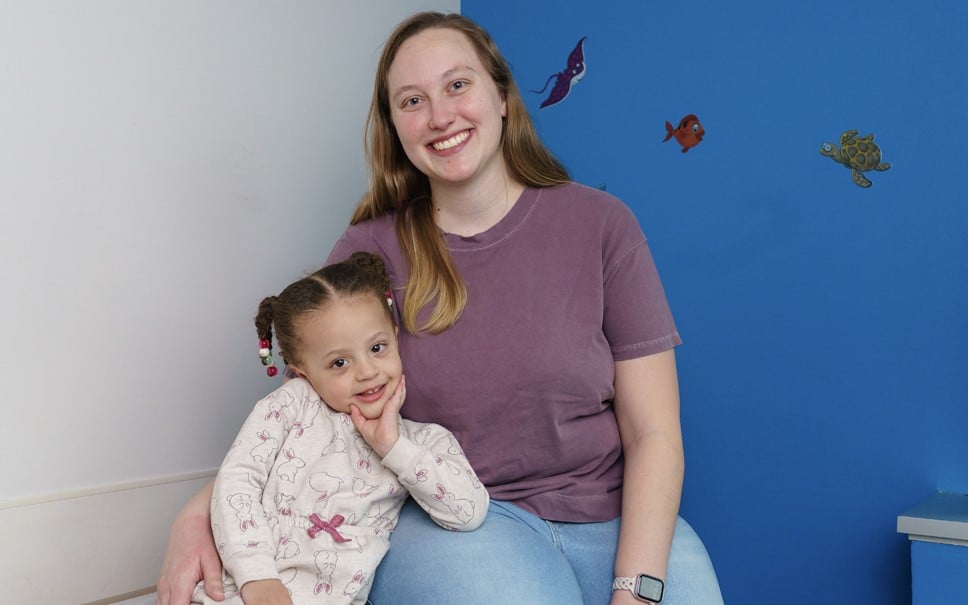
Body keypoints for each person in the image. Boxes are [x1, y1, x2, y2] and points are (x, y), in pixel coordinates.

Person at [157, 11, 724, 605]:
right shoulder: (366, 254)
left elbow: (654, 431)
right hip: (454, 520)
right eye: (412, 100)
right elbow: (312, 405)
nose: (439, 116)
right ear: (395, 127)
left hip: (611, 515)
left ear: (502, 95)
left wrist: (635, 590)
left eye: (457, 85)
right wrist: (200, 511)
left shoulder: (603, 226)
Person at [191, 252, 488, 605]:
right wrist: (256, 576)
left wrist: (393, 447)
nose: (366, 371)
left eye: (378, 348)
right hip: (243, 590)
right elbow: (238, 479)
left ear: (395, 337)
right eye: (339, 363)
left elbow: (467, 513)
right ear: (302, 370)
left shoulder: (423, 441)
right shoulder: (291, 405)